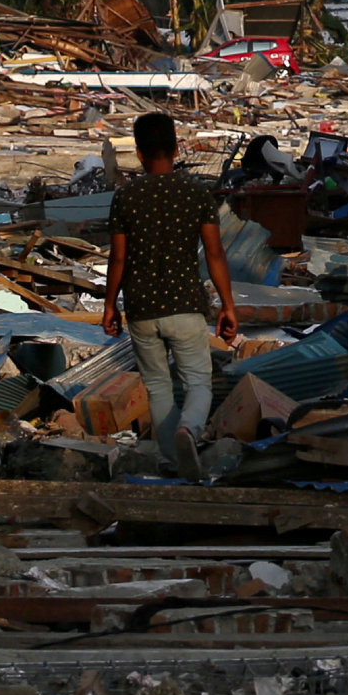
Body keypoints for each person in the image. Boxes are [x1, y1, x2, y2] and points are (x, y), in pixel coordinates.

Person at [103, 111, 239, 474]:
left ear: (139, 153)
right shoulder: (196, 194)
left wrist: (109, 307)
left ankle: (171, 460)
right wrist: (228, 306)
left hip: (142, 308)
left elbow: (118, 258)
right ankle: (188, 431)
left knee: (158, 387)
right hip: (185, 306)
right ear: (176, 149)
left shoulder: (126, 197)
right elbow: (214, 254)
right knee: (198, 383)